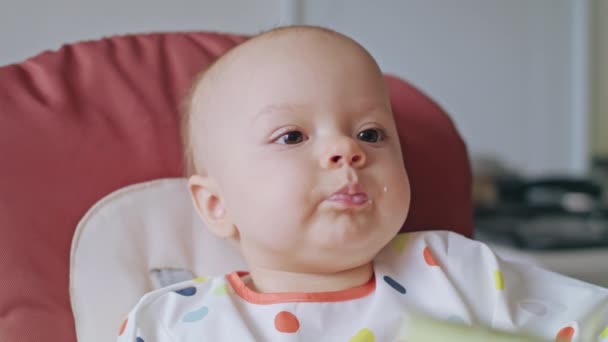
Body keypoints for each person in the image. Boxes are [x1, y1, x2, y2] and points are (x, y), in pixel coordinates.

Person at [117, 26, 608, 342]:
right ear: (217, 205)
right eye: (292, 136)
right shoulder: (171, 325)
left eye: (370, 134)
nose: (347, 150)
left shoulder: (458, 273)